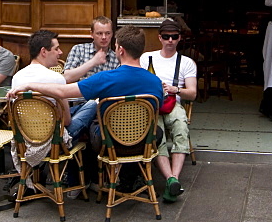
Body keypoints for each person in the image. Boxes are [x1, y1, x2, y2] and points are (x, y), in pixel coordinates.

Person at [10, 26, 164, 154]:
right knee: (157, 131)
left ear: (121, 50)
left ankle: (95, 178)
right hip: (143, 143)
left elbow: (62, 91)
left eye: (115, 47)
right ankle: (131, 176)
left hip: (109, 143)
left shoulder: (104, 78)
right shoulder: (156, 82)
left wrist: (30, 86)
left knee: (93, 118)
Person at [9, 29, 97, 167]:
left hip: (26, 140)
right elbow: (67, 121)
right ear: (44, 51)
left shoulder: (17, 77)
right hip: (54, 142)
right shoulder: (56, 79)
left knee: (80, 108)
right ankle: (82, 172)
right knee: (93, 104)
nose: (60, 52)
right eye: (56, 49)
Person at [141, 19, 197, 203]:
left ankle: (174, 178)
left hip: (174, 103)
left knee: (181, 127)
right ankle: (171, 180)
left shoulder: (187, 62)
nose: (170, 40)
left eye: (174, 37)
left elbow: (193, 94)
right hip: (152, 105)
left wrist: (176, 89)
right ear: (159, 38)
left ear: (180, 38)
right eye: (166, 37)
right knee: (158, 135)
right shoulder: (146, 58)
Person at [63, 16, 119, 83]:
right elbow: (66, 77)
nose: (104, 37)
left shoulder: (116, 58)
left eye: (108, 33)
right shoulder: (79, 49)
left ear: (112, 34)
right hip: (78, 91)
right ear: (92, 34)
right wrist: (93, 61)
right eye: (99, 33)